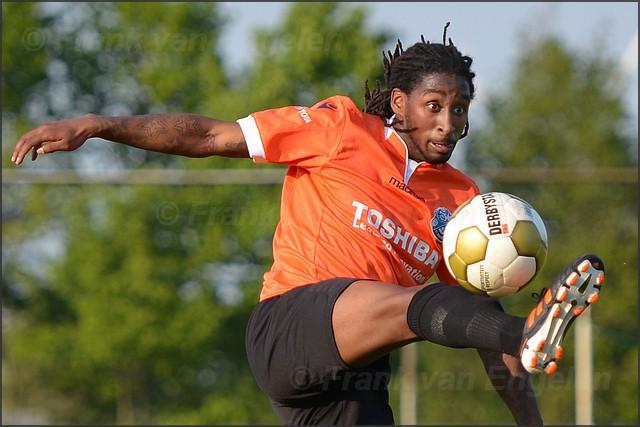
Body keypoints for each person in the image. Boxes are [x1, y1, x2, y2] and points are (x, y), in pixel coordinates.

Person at [11, 24, 605, 426]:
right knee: (416, 303)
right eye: (435, 105)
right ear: (399, 102)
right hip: (289, 325)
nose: (448, 122)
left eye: (459, 109)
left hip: (358, 374)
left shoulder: (464, 200)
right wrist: (98, 123)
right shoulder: (339, 128)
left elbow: (483, 328)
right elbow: (210, 135)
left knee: (452, 313)